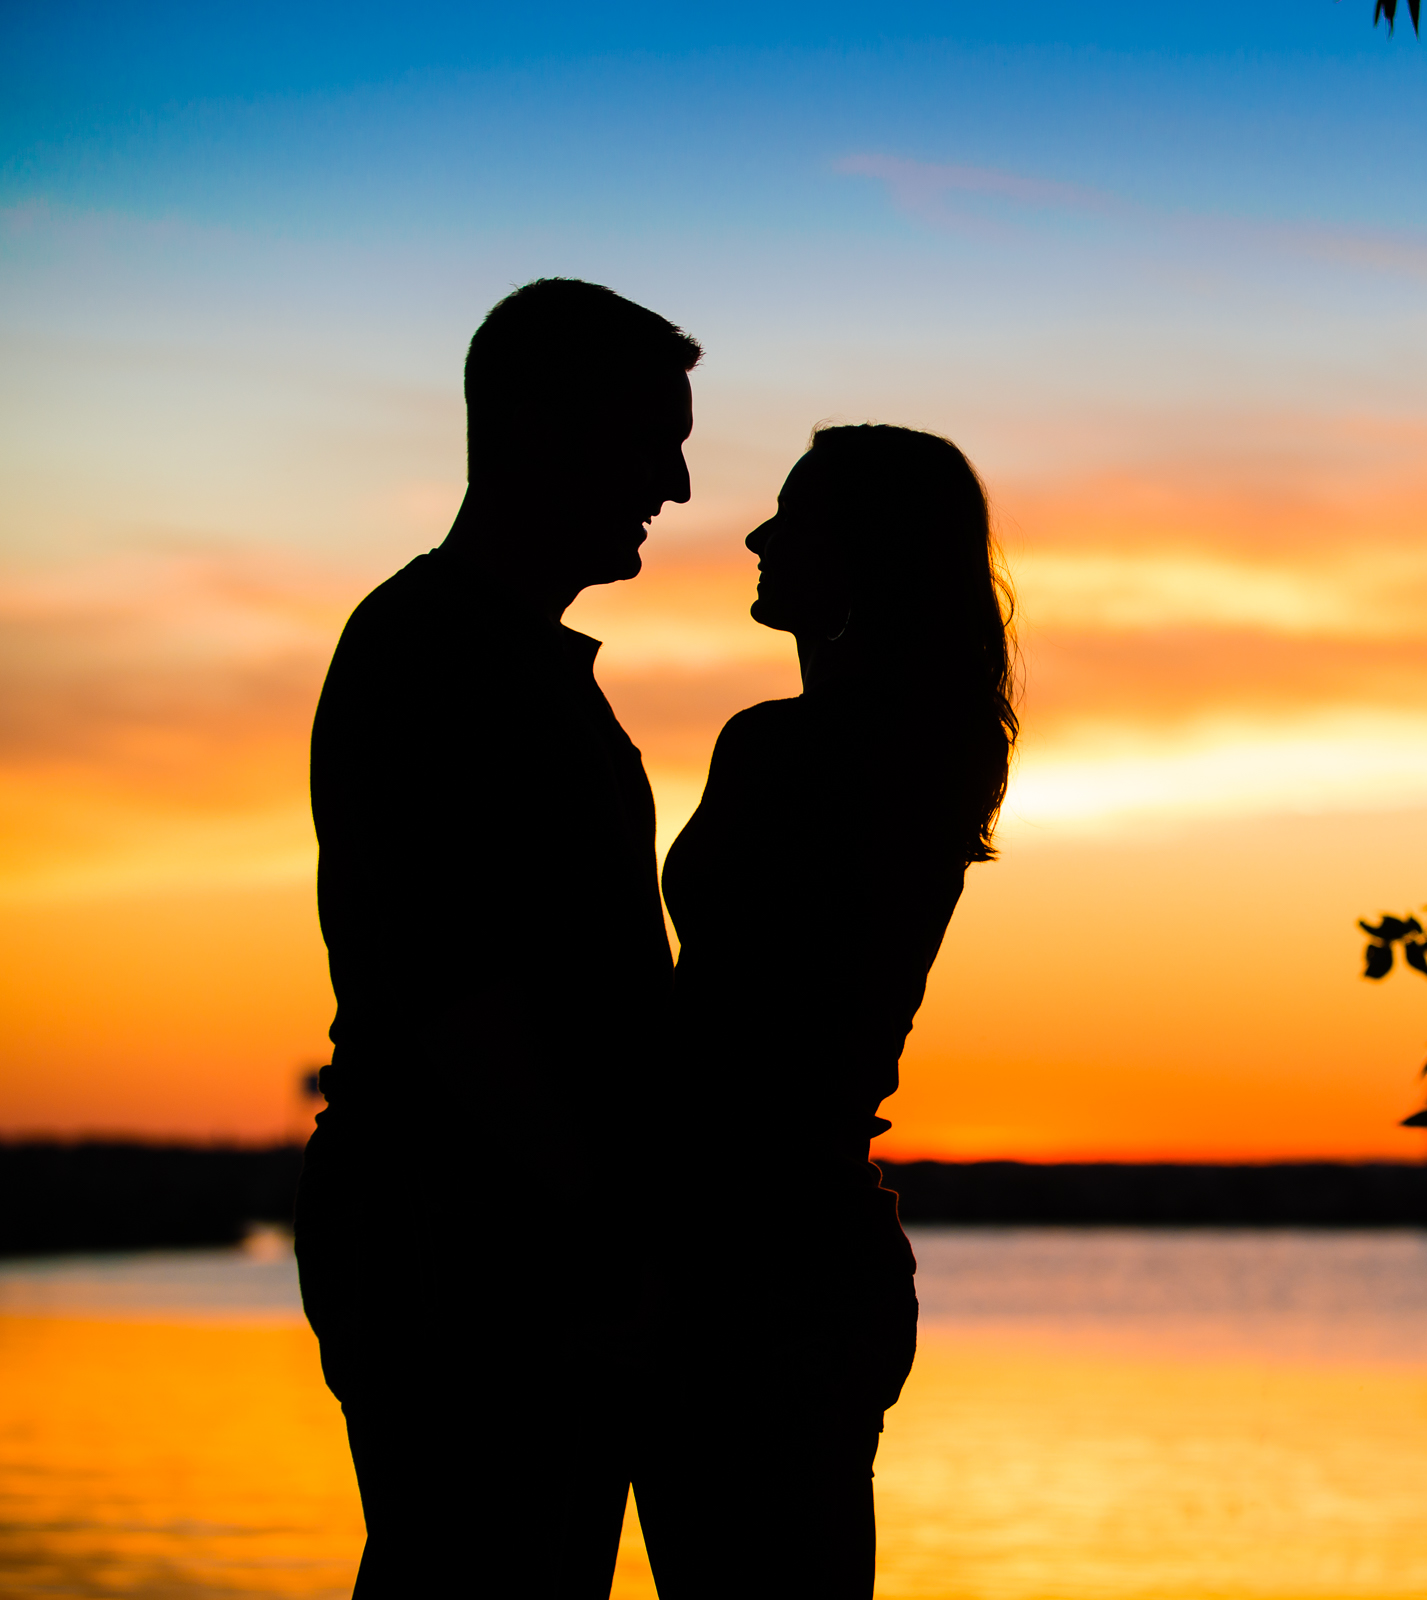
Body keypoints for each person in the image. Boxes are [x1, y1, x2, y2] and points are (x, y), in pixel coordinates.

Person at [297, 278, 700, 1598]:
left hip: (513, 1238)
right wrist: (590, 1219)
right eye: (657, 441)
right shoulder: (437, 657)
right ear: (552, 432)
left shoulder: (503, 658)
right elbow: (451, 984)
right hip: (470, 1255)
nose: (680, 486)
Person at [636, 424, 1017, 1595]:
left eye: (792, 517)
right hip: (811, 1238)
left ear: (867, 553)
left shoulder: (789, 749)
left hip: (745, 1258)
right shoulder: (935, 746)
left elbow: (728, 1030)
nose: (755, 535)